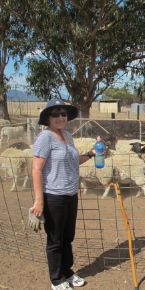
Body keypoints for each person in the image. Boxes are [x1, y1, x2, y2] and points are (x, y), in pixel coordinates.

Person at [30, 99, 95, 290]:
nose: (60, 117)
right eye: (55, 114)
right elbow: (36, 170)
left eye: (63, 114)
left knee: (68, 237)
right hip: (53, 196)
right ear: (48, 118)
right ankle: (56, 279)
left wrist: (91, 154)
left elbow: (73, 161)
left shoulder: (67, 135)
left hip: (70, 194)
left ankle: (67, 271)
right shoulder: (45, 137)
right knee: (55, 239)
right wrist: (39, 200)